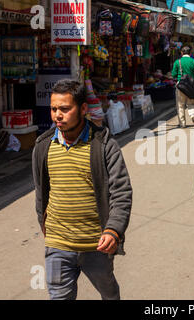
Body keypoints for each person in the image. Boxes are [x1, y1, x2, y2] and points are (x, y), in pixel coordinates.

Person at [32, 79, 133, 300]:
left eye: (65, 109)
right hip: (58, 244)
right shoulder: (43, 146)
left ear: (83, 109)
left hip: (97, 245)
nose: (58, 115)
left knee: (109, 293)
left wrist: (113, 230)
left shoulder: (104, 145)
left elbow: (121, 192)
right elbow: (41, 192)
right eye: (54, 109)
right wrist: (44, 222)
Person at [171, 46, 194, 129]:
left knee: (180, 105)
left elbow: (173, 74)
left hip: (180, 86)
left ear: (182, 52)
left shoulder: (177, 62)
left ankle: (182, 124)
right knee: (192, 104)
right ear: (190, 53)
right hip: (192, 86)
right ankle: (193, 116)